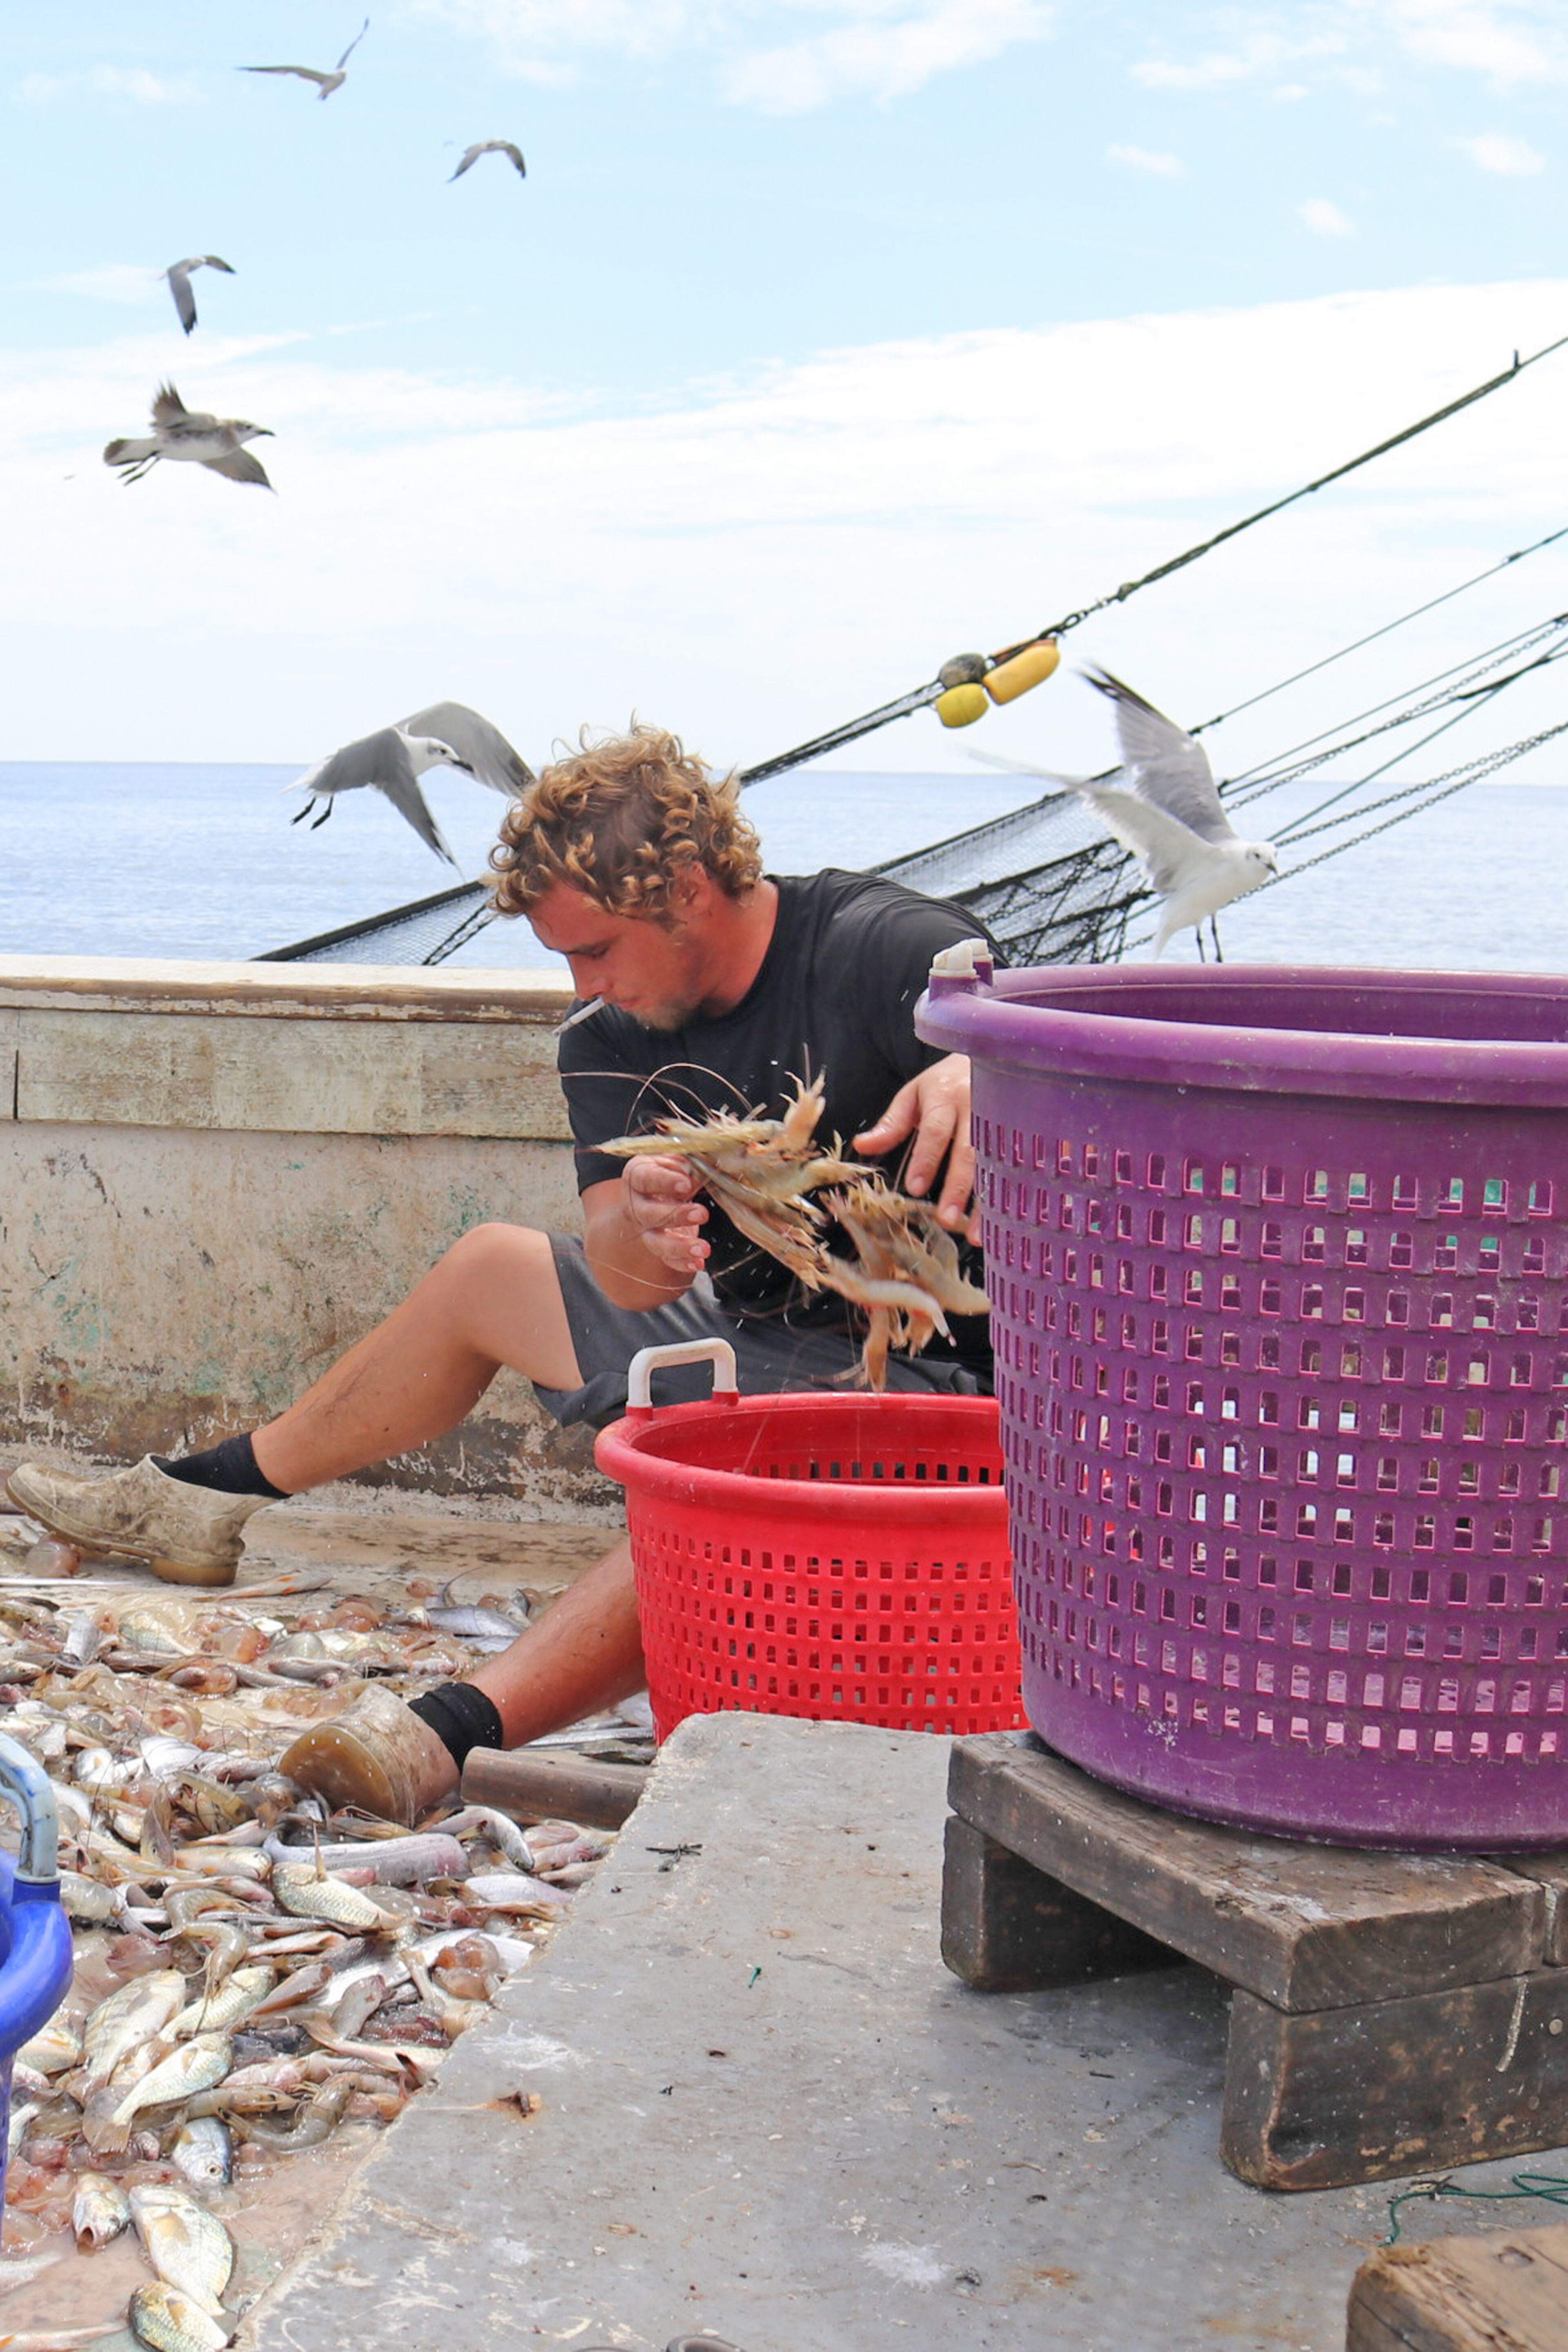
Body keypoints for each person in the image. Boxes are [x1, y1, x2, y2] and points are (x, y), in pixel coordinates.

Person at [8, 726, 994, 1823]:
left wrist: (977, 1060)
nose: (586, 984)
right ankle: (200, 1499)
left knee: (759, 1477)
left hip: (940, 1392)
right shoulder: (608, 1035)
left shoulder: (872, 945)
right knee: (491, 1268)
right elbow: (619, 1274)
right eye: (567, 958)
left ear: (689, 888)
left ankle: (447, 1733)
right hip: (746, 1335)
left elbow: (986, 997)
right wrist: (650, 1230)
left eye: (602, 949)